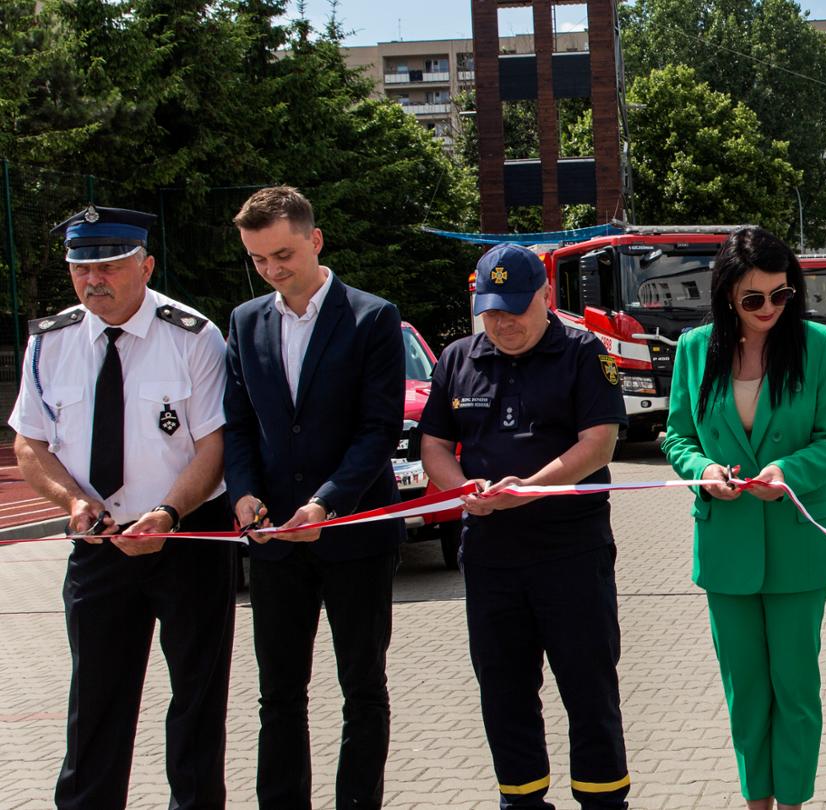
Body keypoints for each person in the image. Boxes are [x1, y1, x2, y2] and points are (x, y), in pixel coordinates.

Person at [10, 206, 234, 809]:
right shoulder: (50, 342)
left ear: (146, 266)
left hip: (185, 537)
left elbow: (214, 444)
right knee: (96, 703)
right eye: (81, 269)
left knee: (197, 700)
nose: (94, 280)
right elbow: (30, 443)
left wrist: (168, 512)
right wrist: (72, 501)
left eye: (109, 266)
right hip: (99, 542)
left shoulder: (192, 335)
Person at [418, 243, 631, 807]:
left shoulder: (584, 352)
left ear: (546, 296)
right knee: (504, 691)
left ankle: (603, 800)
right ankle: (521, 800)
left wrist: (531, 489)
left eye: (515, 308)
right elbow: (434, 444)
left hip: (570, 553)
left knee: (589, 688)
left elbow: (599, 443)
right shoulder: (457, 358)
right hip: (492, 556)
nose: (503, 323)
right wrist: (460, 488)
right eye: (491, 311)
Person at [660, 226, 826, 810]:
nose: (769, 308)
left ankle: (792, 802)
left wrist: (789, 471)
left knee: (795, 690)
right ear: (726, 295)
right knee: (745, 692)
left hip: (799, 546)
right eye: (753, 299)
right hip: (727, 552)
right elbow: (677, 436)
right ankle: (757, 803)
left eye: (781, 294)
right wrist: (702, 469)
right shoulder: (694, 349)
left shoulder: (820, 345)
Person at [222, 186, 405, 809]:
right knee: (278, 695)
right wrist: (243, 494)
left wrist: (326, 503)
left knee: (363, 688)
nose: (272, 270)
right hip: (275, 541)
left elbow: (378, 429)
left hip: (355, 535)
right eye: (258, 259)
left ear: (315, 240)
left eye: (283, 255)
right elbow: (238, 425)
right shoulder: (245, 321)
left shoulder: (372, 317)